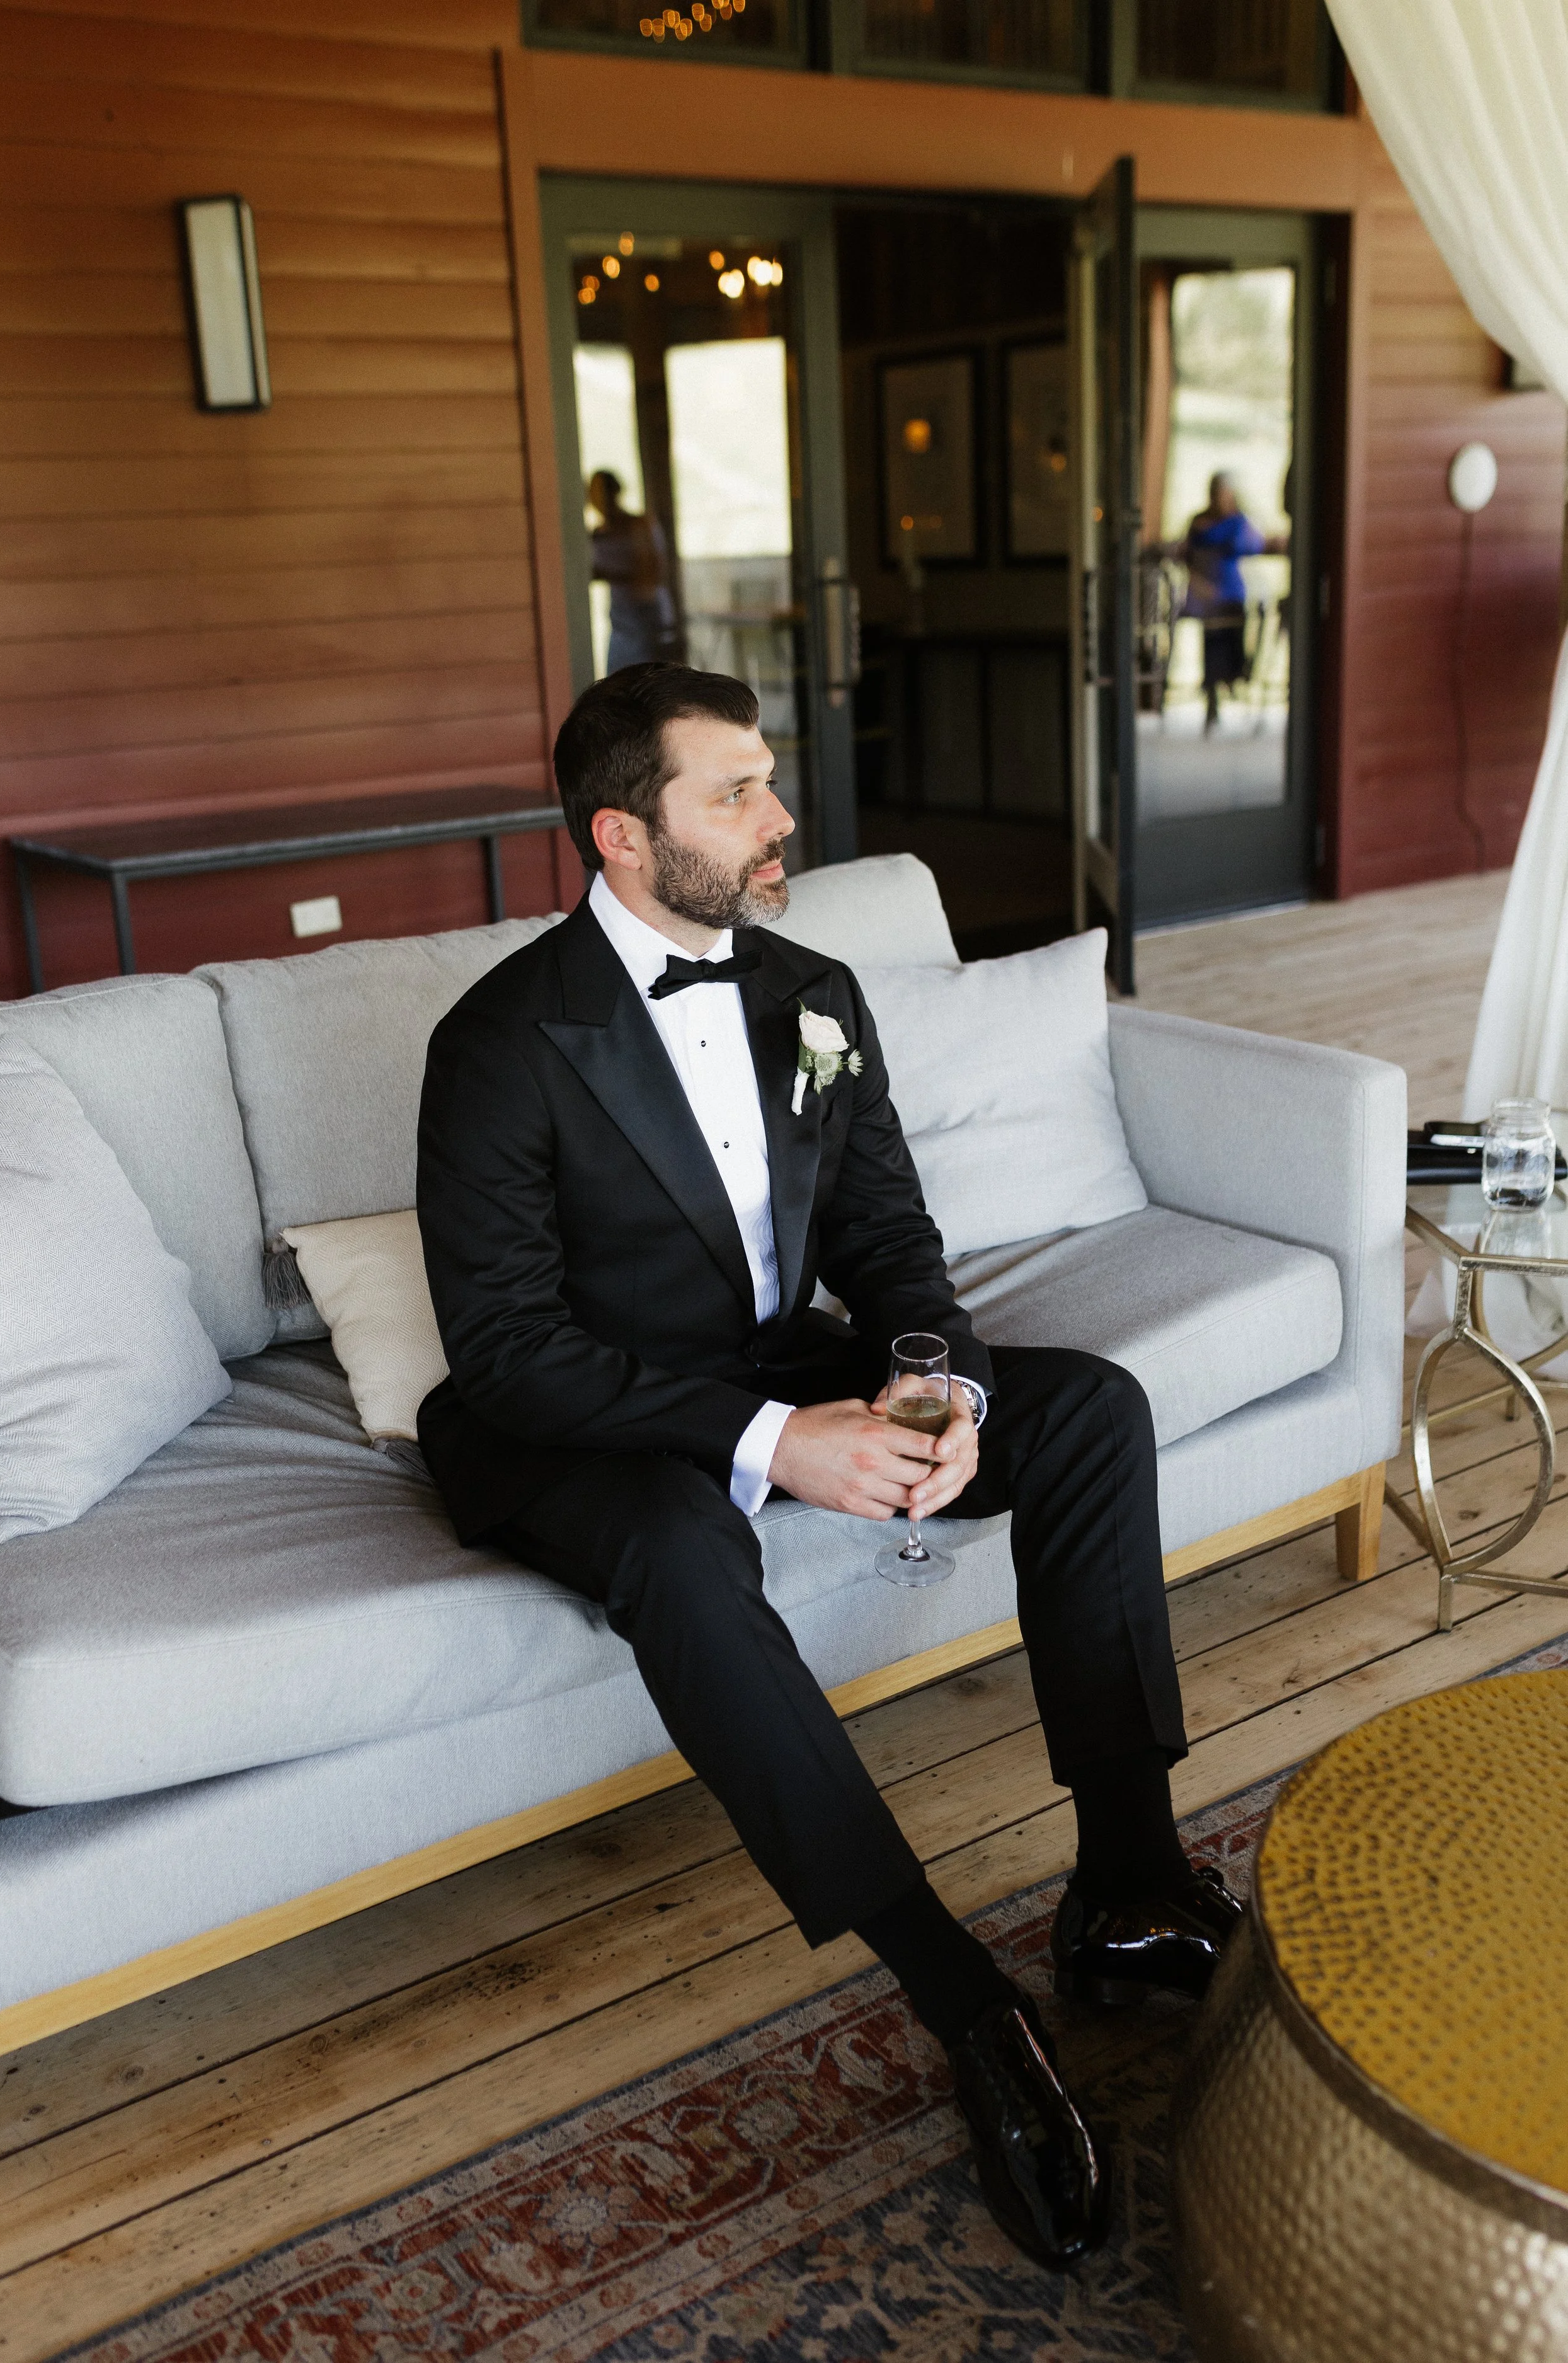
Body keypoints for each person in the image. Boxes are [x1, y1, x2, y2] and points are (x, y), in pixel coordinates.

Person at [416, 662, 1242, 2271]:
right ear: (623, 835)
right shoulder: (502, 1040)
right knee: (679, 1551)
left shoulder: (812, 989)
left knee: (1085, 1408)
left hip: (767, 1353)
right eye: (734, 792)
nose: (781, 815)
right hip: (577, 1413)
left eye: (769, 778)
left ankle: (1131, 1881)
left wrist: (931, 1391)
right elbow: (509, 1346)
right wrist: (779, 1439)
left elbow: (889, 1243)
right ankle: (962, 1994)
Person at [1179, 471, 1287, 731]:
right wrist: (1199, 584)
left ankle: (1235, 678)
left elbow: (1254, 544)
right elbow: (1187, 555)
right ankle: (1216, 693)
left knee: (1236, 631)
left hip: (1231, 593)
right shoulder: (1200, 523)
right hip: (1207, 597)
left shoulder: (1238, 522)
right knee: (1214, 638)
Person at [587, 469, 680, 672]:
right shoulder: (597, 535)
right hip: (622, 622)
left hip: (648, 615)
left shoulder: (640, 525)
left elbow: (654, 571)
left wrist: (613, 574)